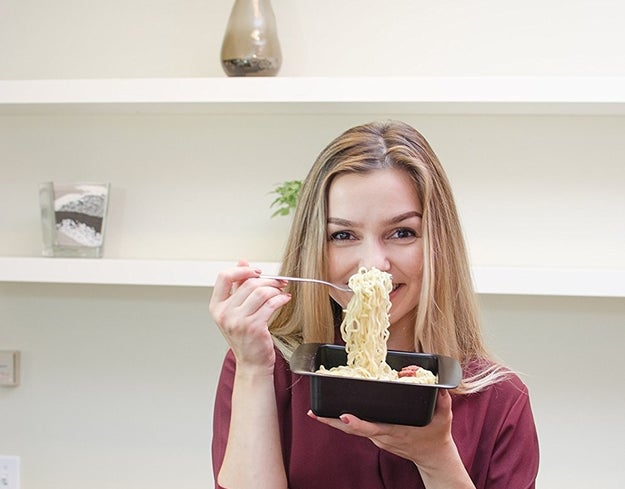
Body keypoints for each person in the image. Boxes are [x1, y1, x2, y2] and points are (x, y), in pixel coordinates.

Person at [209, 120, 539, 489]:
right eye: (343, 235)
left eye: (402, 233)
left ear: (438, 245)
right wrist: (254, 370)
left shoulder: (498, 399)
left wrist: (436, 459)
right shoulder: (268, 367)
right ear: (315, 247)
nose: (373, 264)